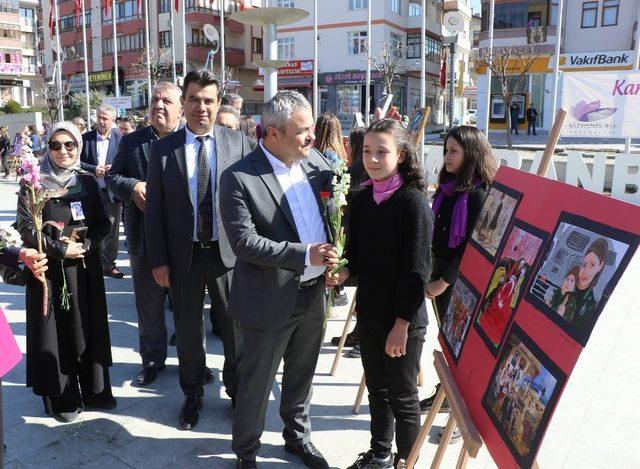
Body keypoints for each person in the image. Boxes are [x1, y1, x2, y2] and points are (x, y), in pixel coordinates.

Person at [220, 91, 337, 469]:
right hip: (267, 300)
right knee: (256, 381)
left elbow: (332, 214)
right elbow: (244, 242)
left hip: (315, 293)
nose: (311, 138)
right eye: (303, 131)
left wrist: (336, 253)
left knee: (302, 374)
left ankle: (297, 437)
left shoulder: (316, 163)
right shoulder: (239, 177)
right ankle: (246, 452)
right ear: (273, 133)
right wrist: (304, 254)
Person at [145, 70, 255, 430]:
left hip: (229, 258)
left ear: (218, 103)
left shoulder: (238, 144)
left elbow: (252, 204)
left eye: (209, 100)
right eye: (194, 99)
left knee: (235, 330)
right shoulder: (163, 150)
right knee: (189, 332)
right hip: (183, 258)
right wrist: (158, 261)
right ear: (184, 103)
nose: (201, 107)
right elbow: (155, 213)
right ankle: (192, 393)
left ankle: (237, 390)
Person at [327, 119, 433, 469]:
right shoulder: (360, 200)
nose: (372, 159)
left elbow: (418, 271)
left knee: (403, 397)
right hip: (370, 314)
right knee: (377, 390)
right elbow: (355, 256)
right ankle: (380, 454)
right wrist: (341, 273)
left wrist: (402, 324)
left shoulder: (413, 203)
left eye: (382, 152)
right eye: (368, 151)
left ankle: (407, 461)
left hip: (402, 320)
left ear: (401, 155)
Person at [16, 121, 115, 423]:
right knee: (56, 330)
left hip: (83, 270)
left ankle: (94, 389)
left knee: (86, 326)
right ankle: (62, 396)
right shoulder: (33, 182)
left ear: (78, 147)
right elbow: (25, 228)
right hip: (49, 271)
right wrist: (59, 249)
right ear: (47, 148)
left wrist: (85, 245)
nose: (63, 151)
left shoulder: (85, 181)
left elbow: (102, 224)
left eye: (69, 144)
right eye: (56, 145)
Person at [107, 82, 184, 386]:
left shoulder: (189, 140)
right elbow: (113, 178)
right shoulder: (131, 142)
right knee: (149, 306)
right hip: (143, 240)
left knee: (187, 307)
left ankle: (193, 363)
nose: (159, 105)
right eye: (154, 99)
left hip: (183, 242)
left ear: (180, 107)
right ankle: (152, 360)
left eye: (166, 100)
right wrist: (132, 186)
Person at [421, 126, 497, 423]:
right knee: (448, 340)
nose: (447, 156)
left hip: (457, 280)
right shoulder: (449, 187)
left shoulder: (477, 194)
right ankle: (447, 393)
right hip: (438, 272)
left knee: (460, 343)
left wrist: (444, 280)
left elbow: (473, 247)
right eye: (446, 150)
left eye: (454, 151)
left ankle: (459, 410)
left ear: (471, 153)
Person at [80, 104, 124, 278]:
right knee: (91, 227)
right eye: (98, 117)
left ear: (113, 120)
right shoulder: (86, 138)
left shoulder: (120, 139)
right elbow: (77, 162)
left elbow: (125, 164)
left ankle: (109, 264)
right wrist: (93, 169)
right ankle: (93, 261)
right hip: (91, 191)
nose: (101, 121)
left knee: (111, 228)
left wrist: (114, 167)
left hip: (111, 191)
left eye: (105, 118)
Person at [313, 112, 349, 308]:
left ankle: (332, 291)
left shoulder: (319, 153)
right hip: (337, 207)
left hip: (326, 207)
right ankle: (337, 291)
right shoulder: (338, 153)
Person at [571, 238, 607, 330]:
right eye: (584, 264)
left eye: (592, 265)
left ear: (600, 266)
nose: (584, 272)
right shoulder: (570, 285)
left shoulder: (590, 304)